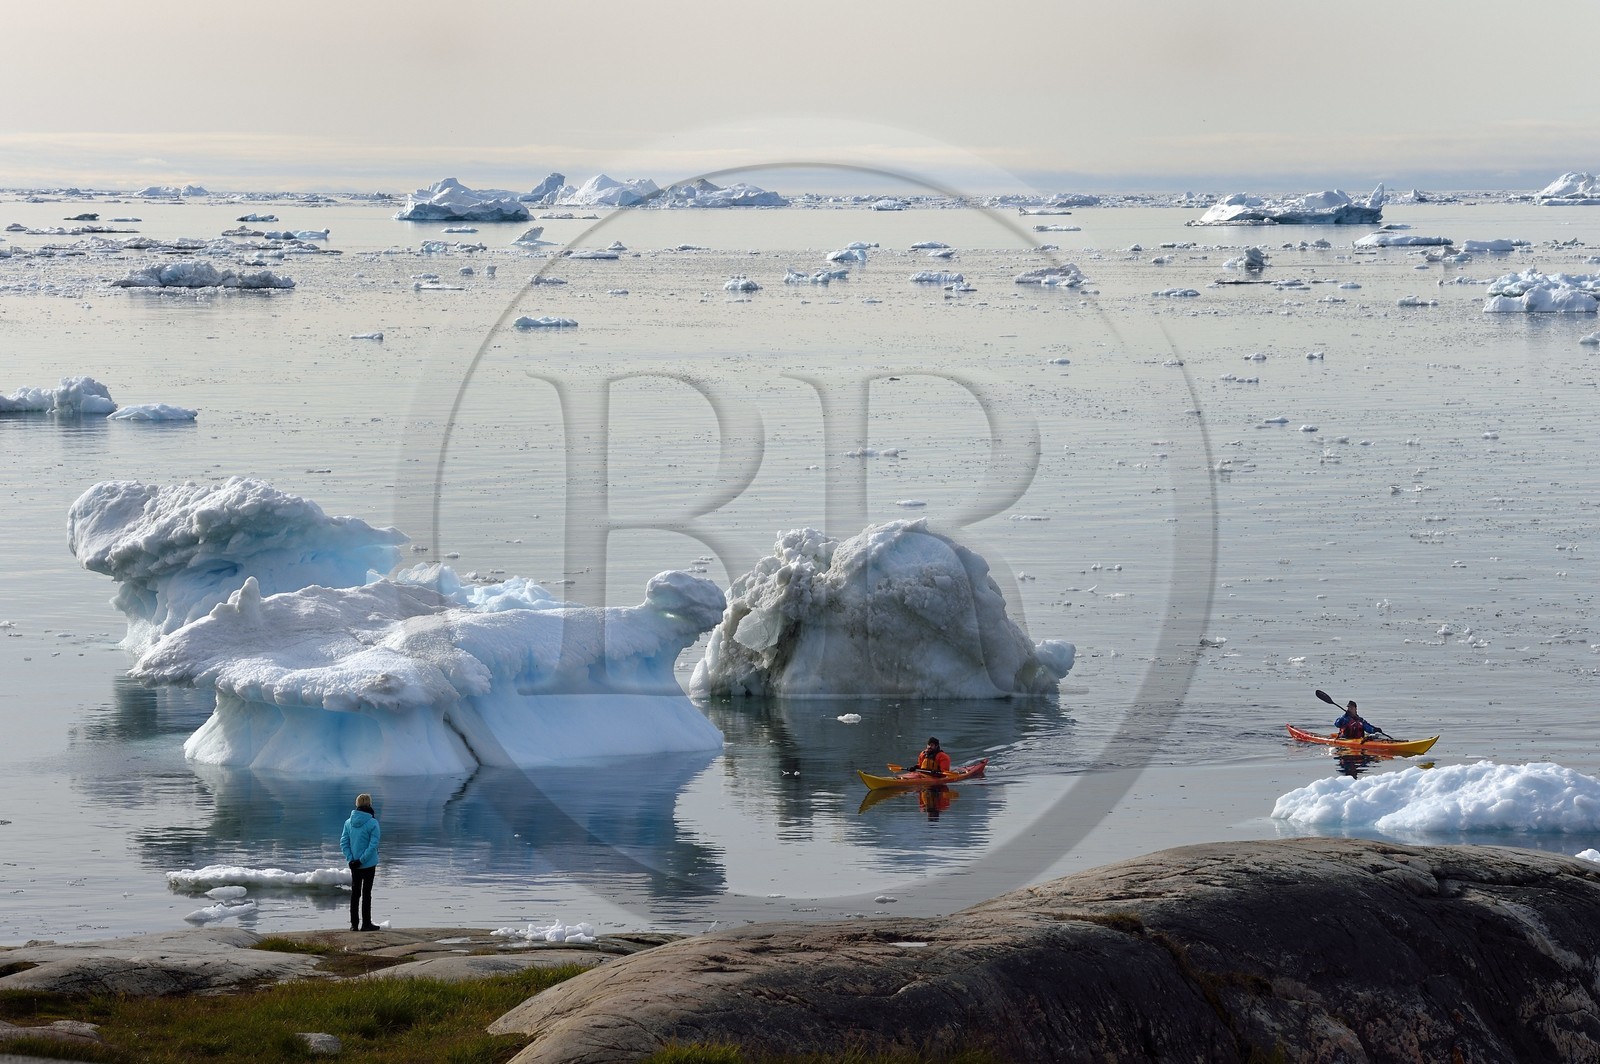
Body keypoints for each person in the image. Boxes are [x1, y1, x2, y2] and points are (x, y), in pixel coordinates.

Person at [340, 792, 381, 932]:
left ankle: (354, 924)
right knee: (366, 894)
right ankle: (366, 924)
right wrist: (362, 860)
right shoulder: (372, 822)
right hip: (368, 864)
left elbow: (344, 842)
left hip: (354, 865)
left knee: (355, 893)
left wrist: (351, 859)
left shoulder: (348, 822)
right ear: (369, 804)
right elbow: (373, 844)